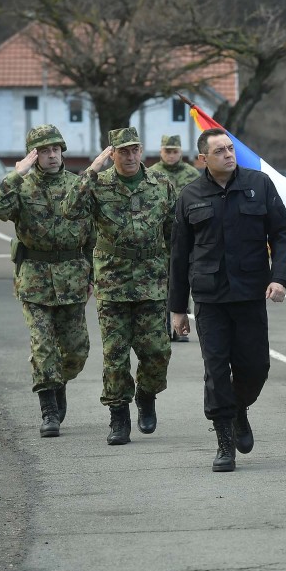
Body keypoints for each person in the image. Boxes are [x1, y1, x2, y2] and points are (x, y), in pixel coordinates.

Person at [169, 127, 286, 472]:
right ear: (203, 159)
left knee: (255, 367)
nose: (228, 154)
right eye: (220, 151)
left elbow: (283, 233)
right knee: (215, 371)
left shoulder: (258, 185)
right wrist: (178, 310)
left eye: (230, 148)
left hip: (250, 293)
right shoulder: (190, 195)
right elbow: (179, 256)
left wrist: (279, 277)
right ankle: (224, 441)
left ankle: (239, 409)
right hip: (210, 300)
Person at [61, 127, 176, 445]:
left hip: (152, 281)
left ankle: (146, 396)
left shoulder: (161, 184)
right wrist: (91, 170)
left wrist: (173, 273)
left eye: (134, 149)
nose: (129, 156)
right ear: (111, 154)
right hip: (113, 282)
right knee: (115, 354)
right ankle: (118, 417)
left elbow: (172, 229)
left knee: (157, 352)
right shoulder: (98, 184)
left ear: (142, 151)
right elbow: (69, 211)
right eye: (122, 151)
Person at [0, 124, 95, 437]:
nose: (51, 155)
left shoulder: (77, 185)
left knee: (76, 351)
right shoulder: (21, 187)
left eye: (55, 149)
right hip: (34, 279)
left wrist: (91, 273)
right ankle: (48, 408)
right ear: (33, 155)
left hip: (73, 278)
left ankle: (58, 381)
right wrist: (15, 174)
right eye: (44, 151)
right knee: (43, 345)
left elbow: (91, 234)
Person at [150, 134, 201, 342]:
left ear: (180, 152)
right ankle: (162, 327)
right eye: (167, 151)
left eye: (174, 151)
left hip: (184, 236)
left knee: (182, 281)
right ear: (161, 152)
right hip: (159, 238)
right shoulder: (152, 174)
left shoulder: (191, 174)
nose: (171, 155)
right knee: (160, 284)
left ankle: (181, 328)